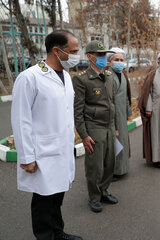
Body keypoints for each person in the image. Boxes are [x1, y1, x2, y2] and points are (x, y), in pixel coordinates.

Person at [11, 30, 82, 240]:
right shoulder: (30, 77)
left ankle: (58, 233)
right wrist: (26, 157)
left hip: (61, 149)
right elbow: (20, 119)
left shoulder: (66, 77)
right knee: (43, 199)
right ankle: (45, 236)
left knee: (57, 196)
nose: (77, 55)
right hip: (41, 152)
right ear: (56, 50)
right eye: (74, 51)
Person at [72, 40, 119, 213]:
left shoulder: (108, 76)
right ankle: (94, 197)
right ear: (90, 57)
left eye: (104, 54)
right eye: (99, 55)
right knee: (95, 166)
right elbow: (78, 111)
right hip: (94, 128)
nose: (103, 58)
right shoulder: (81, 79)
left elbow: (112, 103)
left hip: (108, 127)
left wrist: (114, 126)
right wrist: (84, 135)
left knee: (109, 163)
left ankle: (104, 192)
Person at [106, 47, 132, 181]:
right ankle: (113, 171)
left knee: (122, 142)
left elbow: (126, 96)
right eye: (117, 59)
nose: (120, 62)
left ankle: (122, 168)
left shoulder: (123, 75)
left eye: (122, 60)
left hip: (122, 114)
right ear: (110, 61)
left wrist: (128, 112)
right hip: (111, 116)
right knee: (113, 144)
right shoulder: (107, 76)